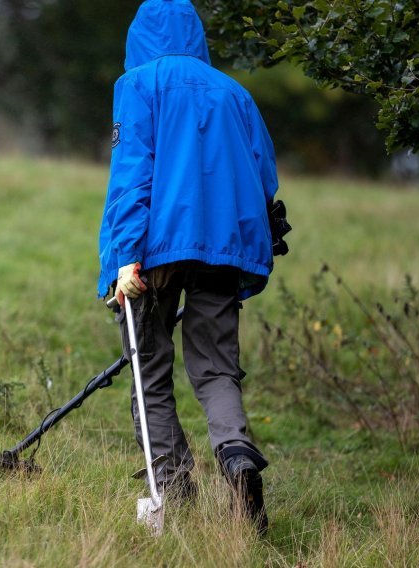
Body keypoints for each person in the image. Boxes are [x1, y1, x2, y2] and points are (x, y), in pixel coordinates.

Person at [97, 0, 283, 534]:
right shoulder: (235, 92)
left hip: (154, 253)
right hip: (224, 248)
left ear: (139, 37)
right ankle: (237, 455)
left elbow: (133, 176)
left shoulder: (137, 85)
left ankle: (173, 492)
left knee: (149, 370)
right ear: (196, 36)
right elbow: (265, 177)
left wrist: (125, 257)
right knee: (216, 368)